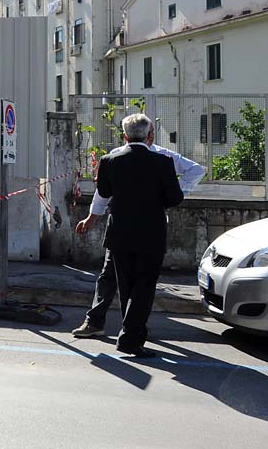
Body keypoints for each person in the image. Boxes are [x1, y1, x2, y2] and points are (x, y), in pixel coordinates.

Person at [72, 127, 204, 338]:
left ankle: (133, 329)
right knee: (111, 276)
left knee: (140, 283)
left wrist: (174, 190)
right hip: (124, 230)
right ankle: (100, 322)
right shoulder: (116, 157)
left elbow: (195, 172)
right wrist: (91, 217)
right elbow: (103, 194)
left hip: (145, 230)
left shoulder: (163, 157)